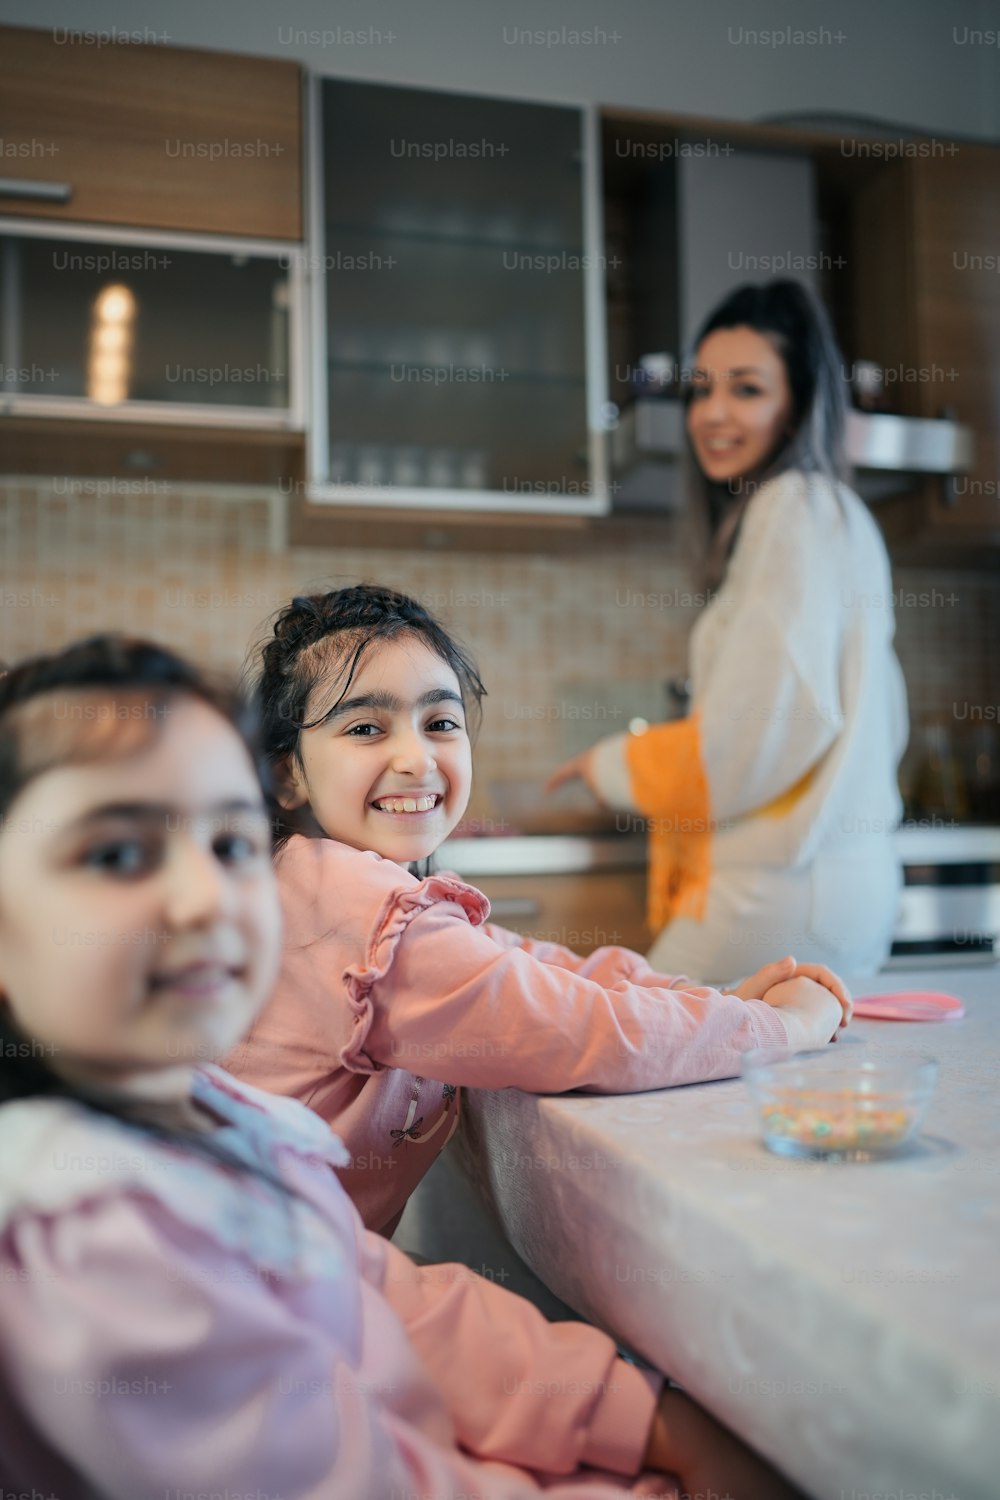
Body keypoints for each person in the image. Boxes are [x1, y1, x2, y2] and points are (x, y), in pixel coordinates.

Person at [0, 634, 807, 1500]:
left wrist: (645, 1420)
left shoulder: (204, 1115)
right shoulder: (96, 1242)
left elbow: (376, 1293)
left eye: (229, 846)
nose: (202, 900)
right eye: (118, 854)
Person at [225, 584, 849, 1236]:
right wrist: (785, 1031)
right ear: (287, 774)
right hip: (259, 1297)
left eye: (440, 723)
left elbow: (534, 966)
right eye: (364, 728)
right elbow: (581, 1032)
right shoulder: (356, 912)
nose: (416, 759)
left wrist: (718, 1003)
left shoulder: (315, 883)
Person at [550, 280, 909, 982]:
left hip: (775, 893)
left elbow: (754, 736)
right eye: (700, 389)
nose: (712, 413)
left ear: (798, 403)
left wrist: (615, 766)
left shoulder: (790, 508)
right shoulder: (841, 516)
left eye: (746, 390)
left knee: (643, 1056)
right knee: (783, 1092)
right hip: (845, 887)